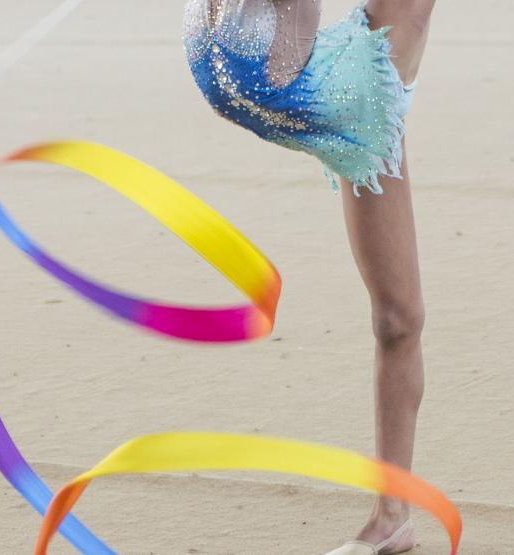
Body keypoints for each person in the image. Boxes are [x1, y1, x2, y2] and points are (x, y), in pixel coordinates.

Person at [183, 1, 436, 553]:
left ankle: (391, 516)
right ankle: (392, 516)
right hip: (296, 75)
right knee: (399, 320)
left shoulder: (373, 85)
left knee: (398, 320)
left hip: (348, 97)